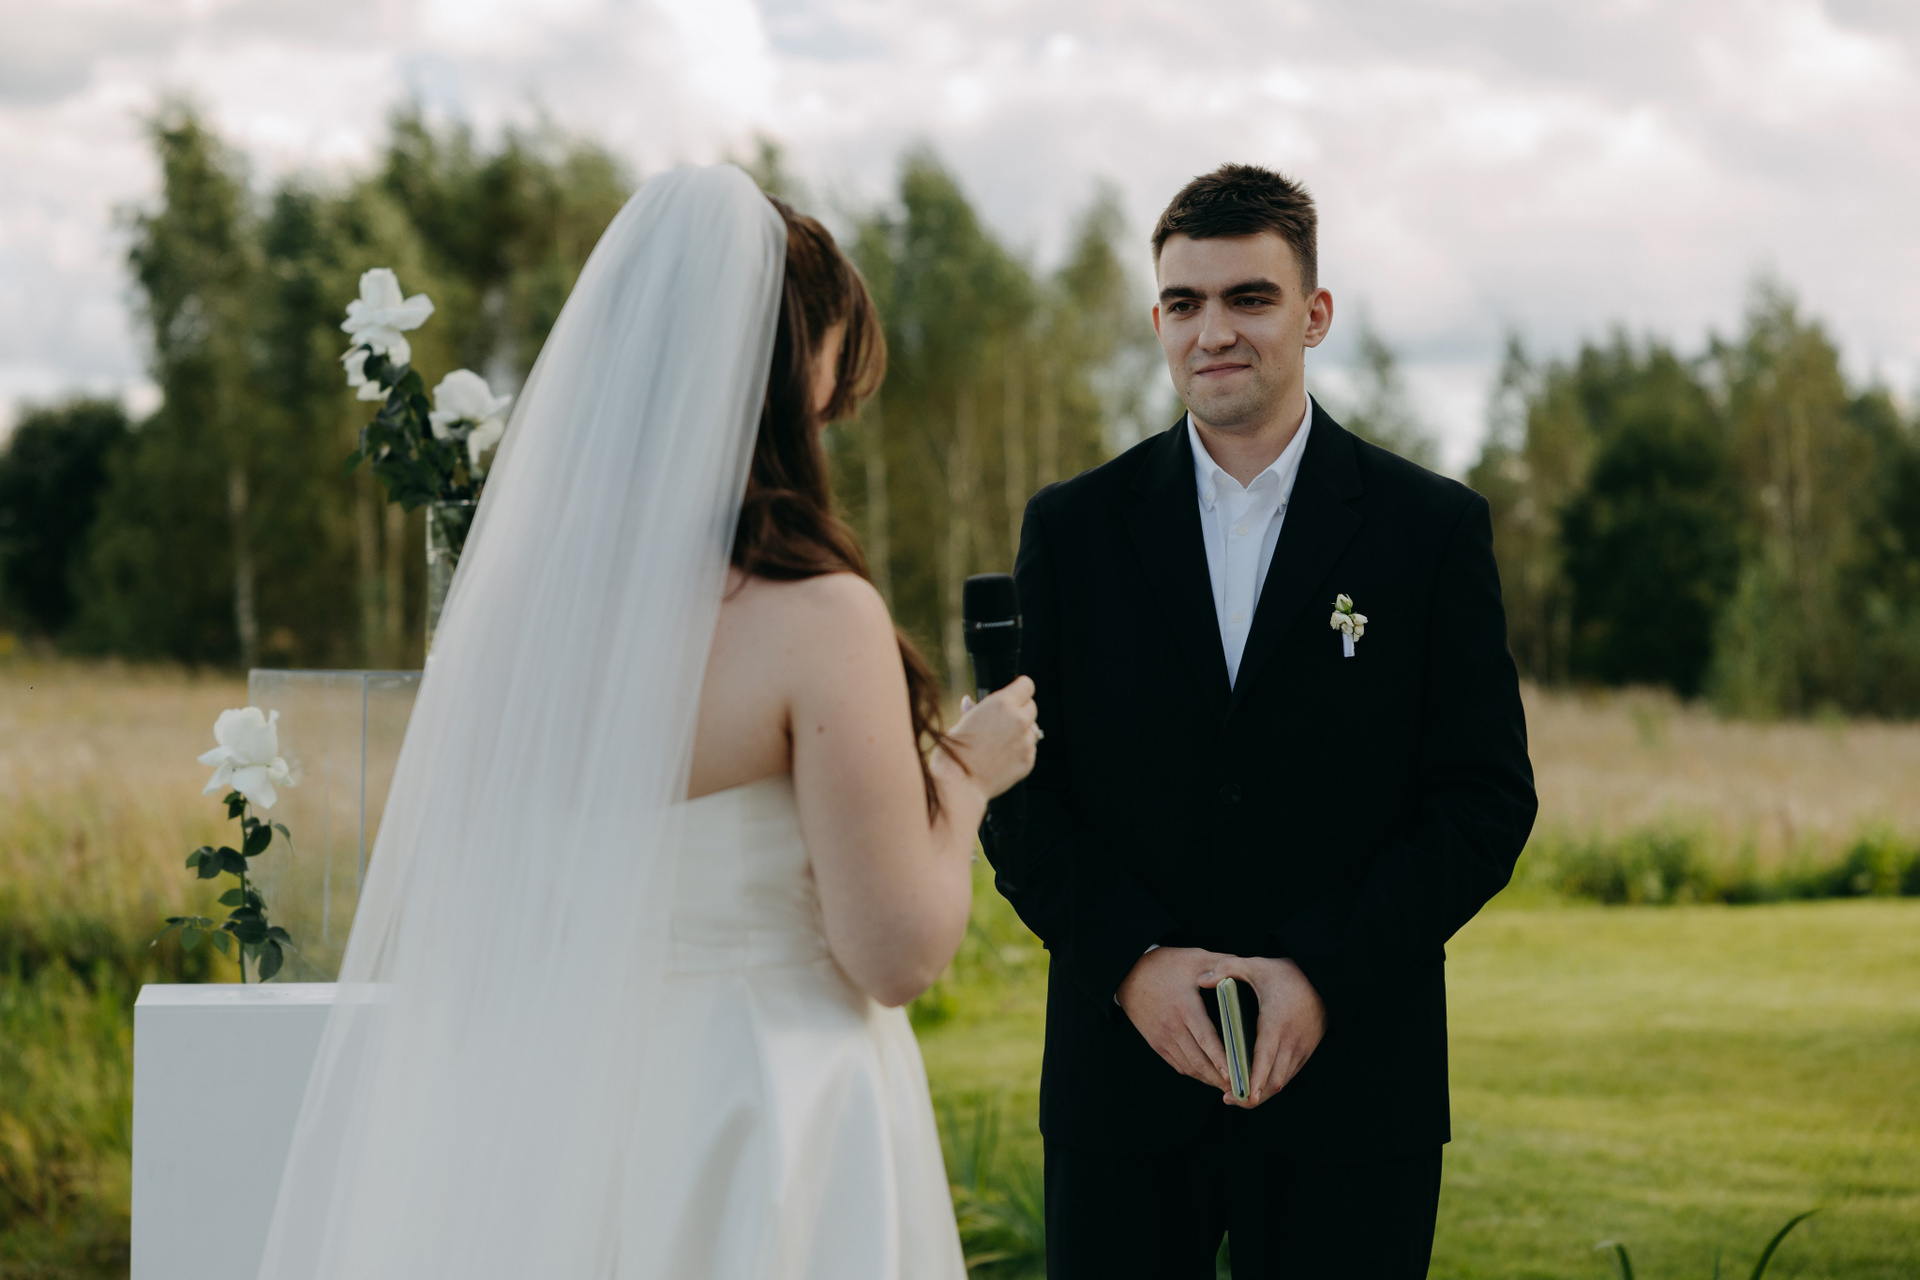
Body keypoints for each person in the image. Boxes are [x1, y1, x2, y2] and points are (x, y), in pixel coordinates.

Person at [257, 166, 1037, 1280]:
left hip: (563, 1110)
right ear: (786, 367)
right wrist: (963, 773)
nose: (835, 400)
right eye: (830, 362)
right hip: (764, 1109)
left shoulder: (517, 621)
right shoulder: (817, 619)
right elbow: (896, 950)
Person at [985, 163, 1537, 1278]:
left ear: (1315, 313)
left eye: (1250, 297)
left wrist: (1324, 972)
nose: (1214, 332)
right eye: (1184, 302)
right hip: (1122, 1087)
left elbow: (1484, 800)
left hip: (1354, 1089)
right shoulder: (1073, 529)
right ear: (1157, 320)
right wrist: (1132, 962)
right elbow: (1017, 790)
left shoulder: (1429, 530)